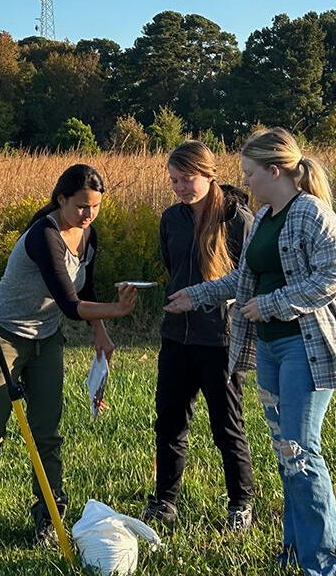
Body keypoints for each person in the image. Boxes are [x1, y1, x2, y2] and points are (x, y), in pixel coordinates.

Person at [166, 128, 336, 575]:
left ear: (275, 171)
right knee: (285, 452)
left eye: (250, 173)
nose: (245, 181)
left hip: (306, 348)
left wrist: (272, 304)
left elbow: (331, 277)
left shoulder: (312, 214)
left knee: (301, 451)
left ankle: (324, 565)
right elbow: (244, 280)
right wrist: (196, 295)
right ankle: (294, 551)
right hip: (272, 352)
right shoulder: (266, 217)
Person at [0, 163, 139, 543]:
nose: (89, 215)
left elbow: (87, 289)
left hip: (47, 339)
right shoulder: (44, 236)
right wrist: (116, 310)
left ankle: (49, 517)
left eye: (96, 207)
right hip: (5, 336)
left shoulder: (88, 235)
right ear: (61, 199)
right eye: (82, 206)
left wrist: (101, 331)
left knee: (47, 431)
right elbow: (69, 304)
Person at [144, 140, 256, 531]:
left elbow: (249, 279)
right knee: (170, 423)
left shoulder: (237, 219)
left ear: (209, 174)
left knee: (226, 426)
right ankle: (164, 501)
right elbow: (171, 265)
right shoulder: (170, 219)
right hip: (176, 338)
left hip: (220, 340)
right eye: (173, 180)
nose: (179, 187)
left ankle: (241, 504)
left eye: (186, 179)